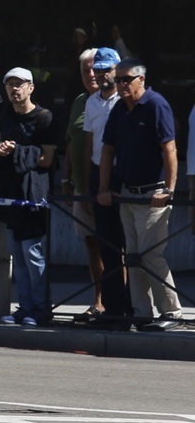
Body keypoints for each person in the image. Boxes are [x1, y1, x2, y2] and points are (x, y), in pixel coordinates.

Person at [98, 57, 183, 331]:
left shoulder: (155, 104)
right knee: (132, 257)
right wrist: (103, 188)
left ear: (141, 80)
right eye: (117, 79)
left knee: (150, 256)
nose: (120, 84)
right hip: (127, 193)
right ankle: (141, 313)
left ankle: (172, 313)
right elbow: (107, 150)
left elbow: (169, 149)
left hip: (152, 195)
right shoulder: (119, 109)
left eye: (126, 79)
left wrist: (169, 189)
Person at [0, 68, 57, 327]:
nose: (14, 90)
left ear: (31, 88)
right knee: (17, 253)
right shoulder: (2, 111)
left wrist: (19, 152)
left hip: (33, 194)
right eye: (9, 85)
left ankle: (41, 308)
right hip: (8, 191)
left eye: (19, 84)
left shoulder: (44, 117)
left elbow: (47, 158)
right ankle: (24, 307)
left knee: (33, 254)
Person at [82, 47, 132, 323]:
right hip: (97, 172)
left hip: (120, 174)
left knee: (128, 245)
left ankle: (130, 305)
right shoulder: (91, 102)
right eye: (97, 69)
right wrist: (88, 177)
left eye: (106, 69)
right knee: (106, 244)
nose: (101, 74)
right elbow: (89, 141)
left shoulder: (124, 101)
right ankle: (113, 308)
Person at [60, 48, 106, 320]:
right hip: (81, 188)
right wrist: (66, 180)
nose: (91, 74)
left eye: (94, 68)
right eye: (85, 70)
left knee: (112, 247)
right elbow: (71, 141)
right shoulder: (80, 101)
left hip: (107, 189)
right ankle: (99, 301)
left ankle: (117, 303)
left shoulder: (114, 101)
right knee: (91, 244)